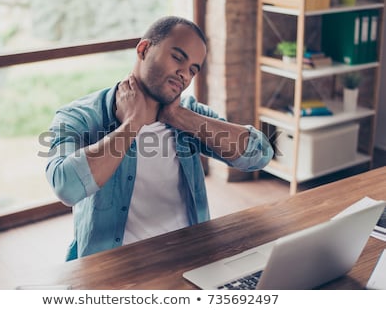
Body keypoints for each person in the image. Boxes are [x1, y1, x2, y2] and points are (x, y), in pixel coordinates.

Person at [45, 16, 273, 261]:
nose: (184, 74)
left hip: (192, 258)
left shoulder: (188, 113)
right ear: (143, 49)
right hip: (114, 270)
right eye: (177, 58)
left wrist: (180, 117)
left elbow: (259, 155)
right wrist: (132, 124)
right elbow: (66, 187)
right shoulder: (78, 116)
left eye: (193, 70)